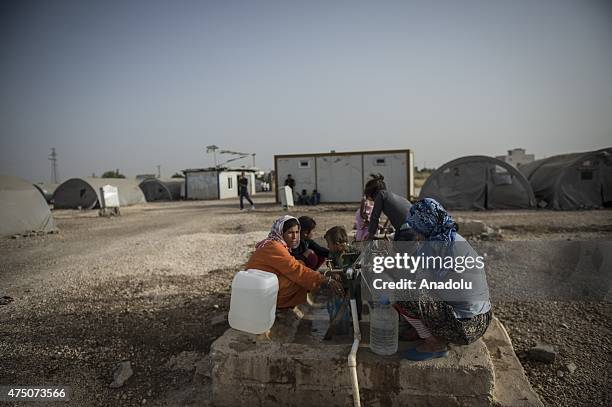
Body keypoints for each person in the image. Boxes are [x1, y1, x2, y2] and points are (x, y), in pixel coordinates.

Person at [394, 198, 492, 361]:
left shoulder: (433, 247)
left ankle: (434, 344)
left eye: (416, 227)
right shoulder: (453, 238)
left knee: (401, 294)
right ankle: (424, 329)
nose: (415, 233)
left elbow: (417, 283)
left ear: (424, 225)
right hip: (483, 317)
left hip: (465, 327)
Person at [245, 215, 343, 308]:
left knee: (301, 266)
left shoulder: (277, 244)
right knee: (299, 280)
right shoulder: (275, 247)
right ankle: (278, 305)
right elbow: (296, 269)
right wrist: (325, 280)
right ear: (281, 232)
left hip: (260, 284)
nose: (294, 236)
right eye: (290, 232)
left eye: (296, 232)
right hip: (259, 290)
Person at [364, 174, 413, 241]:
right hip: (415, 227)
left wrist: (370, 235)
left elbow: (375, 216)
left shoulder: (380, 195)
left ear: (370, 193)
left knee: (399, 247)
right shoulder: (389, 195)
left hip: (407, 229)